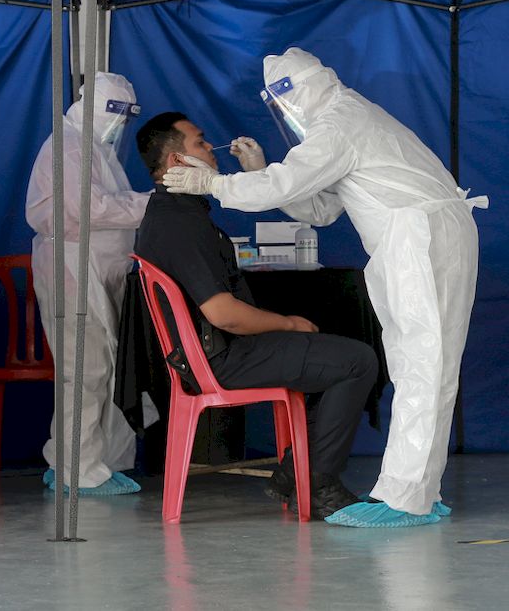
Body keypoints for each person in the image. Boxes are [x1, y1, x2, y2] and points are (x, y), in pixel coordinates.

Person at [163, 48, 487, 528]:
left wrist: (215, 183)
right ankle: (418, 490)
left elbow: (284, 186)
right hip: (422, 235)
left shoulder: (339, 123)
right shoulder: (346, 118)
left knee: (424, 363)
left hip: (420, 237)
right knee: (423, 363)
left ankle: (406, 498)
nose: (285, 114)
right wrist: (255, 173)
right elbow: (321, 210)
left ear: (299, 91)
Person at [135, 111, 378, 520]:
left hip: (217, 352)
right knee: (357, 361)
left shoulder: (180, 213)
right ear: (177, 161)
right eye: (199, 142)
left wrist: (260, 175)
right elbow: (224, 314)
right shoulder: (178, 223)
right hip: (223, 357)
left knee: (332, 354)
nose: (210, 149)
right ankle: (317, 486)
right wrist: (287, 323)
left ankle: (294, 473)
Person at [25, 71, 149, 496]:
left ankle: (89, 462)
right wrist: (154, 202)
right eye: (114, 112)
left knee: (105, 368)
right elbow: (88, 208)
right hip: (75, 269)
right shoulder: (69, 145)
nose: (119, 123)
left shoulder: (95, 147)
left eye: (125, 115)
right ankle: (77, 470)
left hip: (98, 270)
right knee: (85, 368)